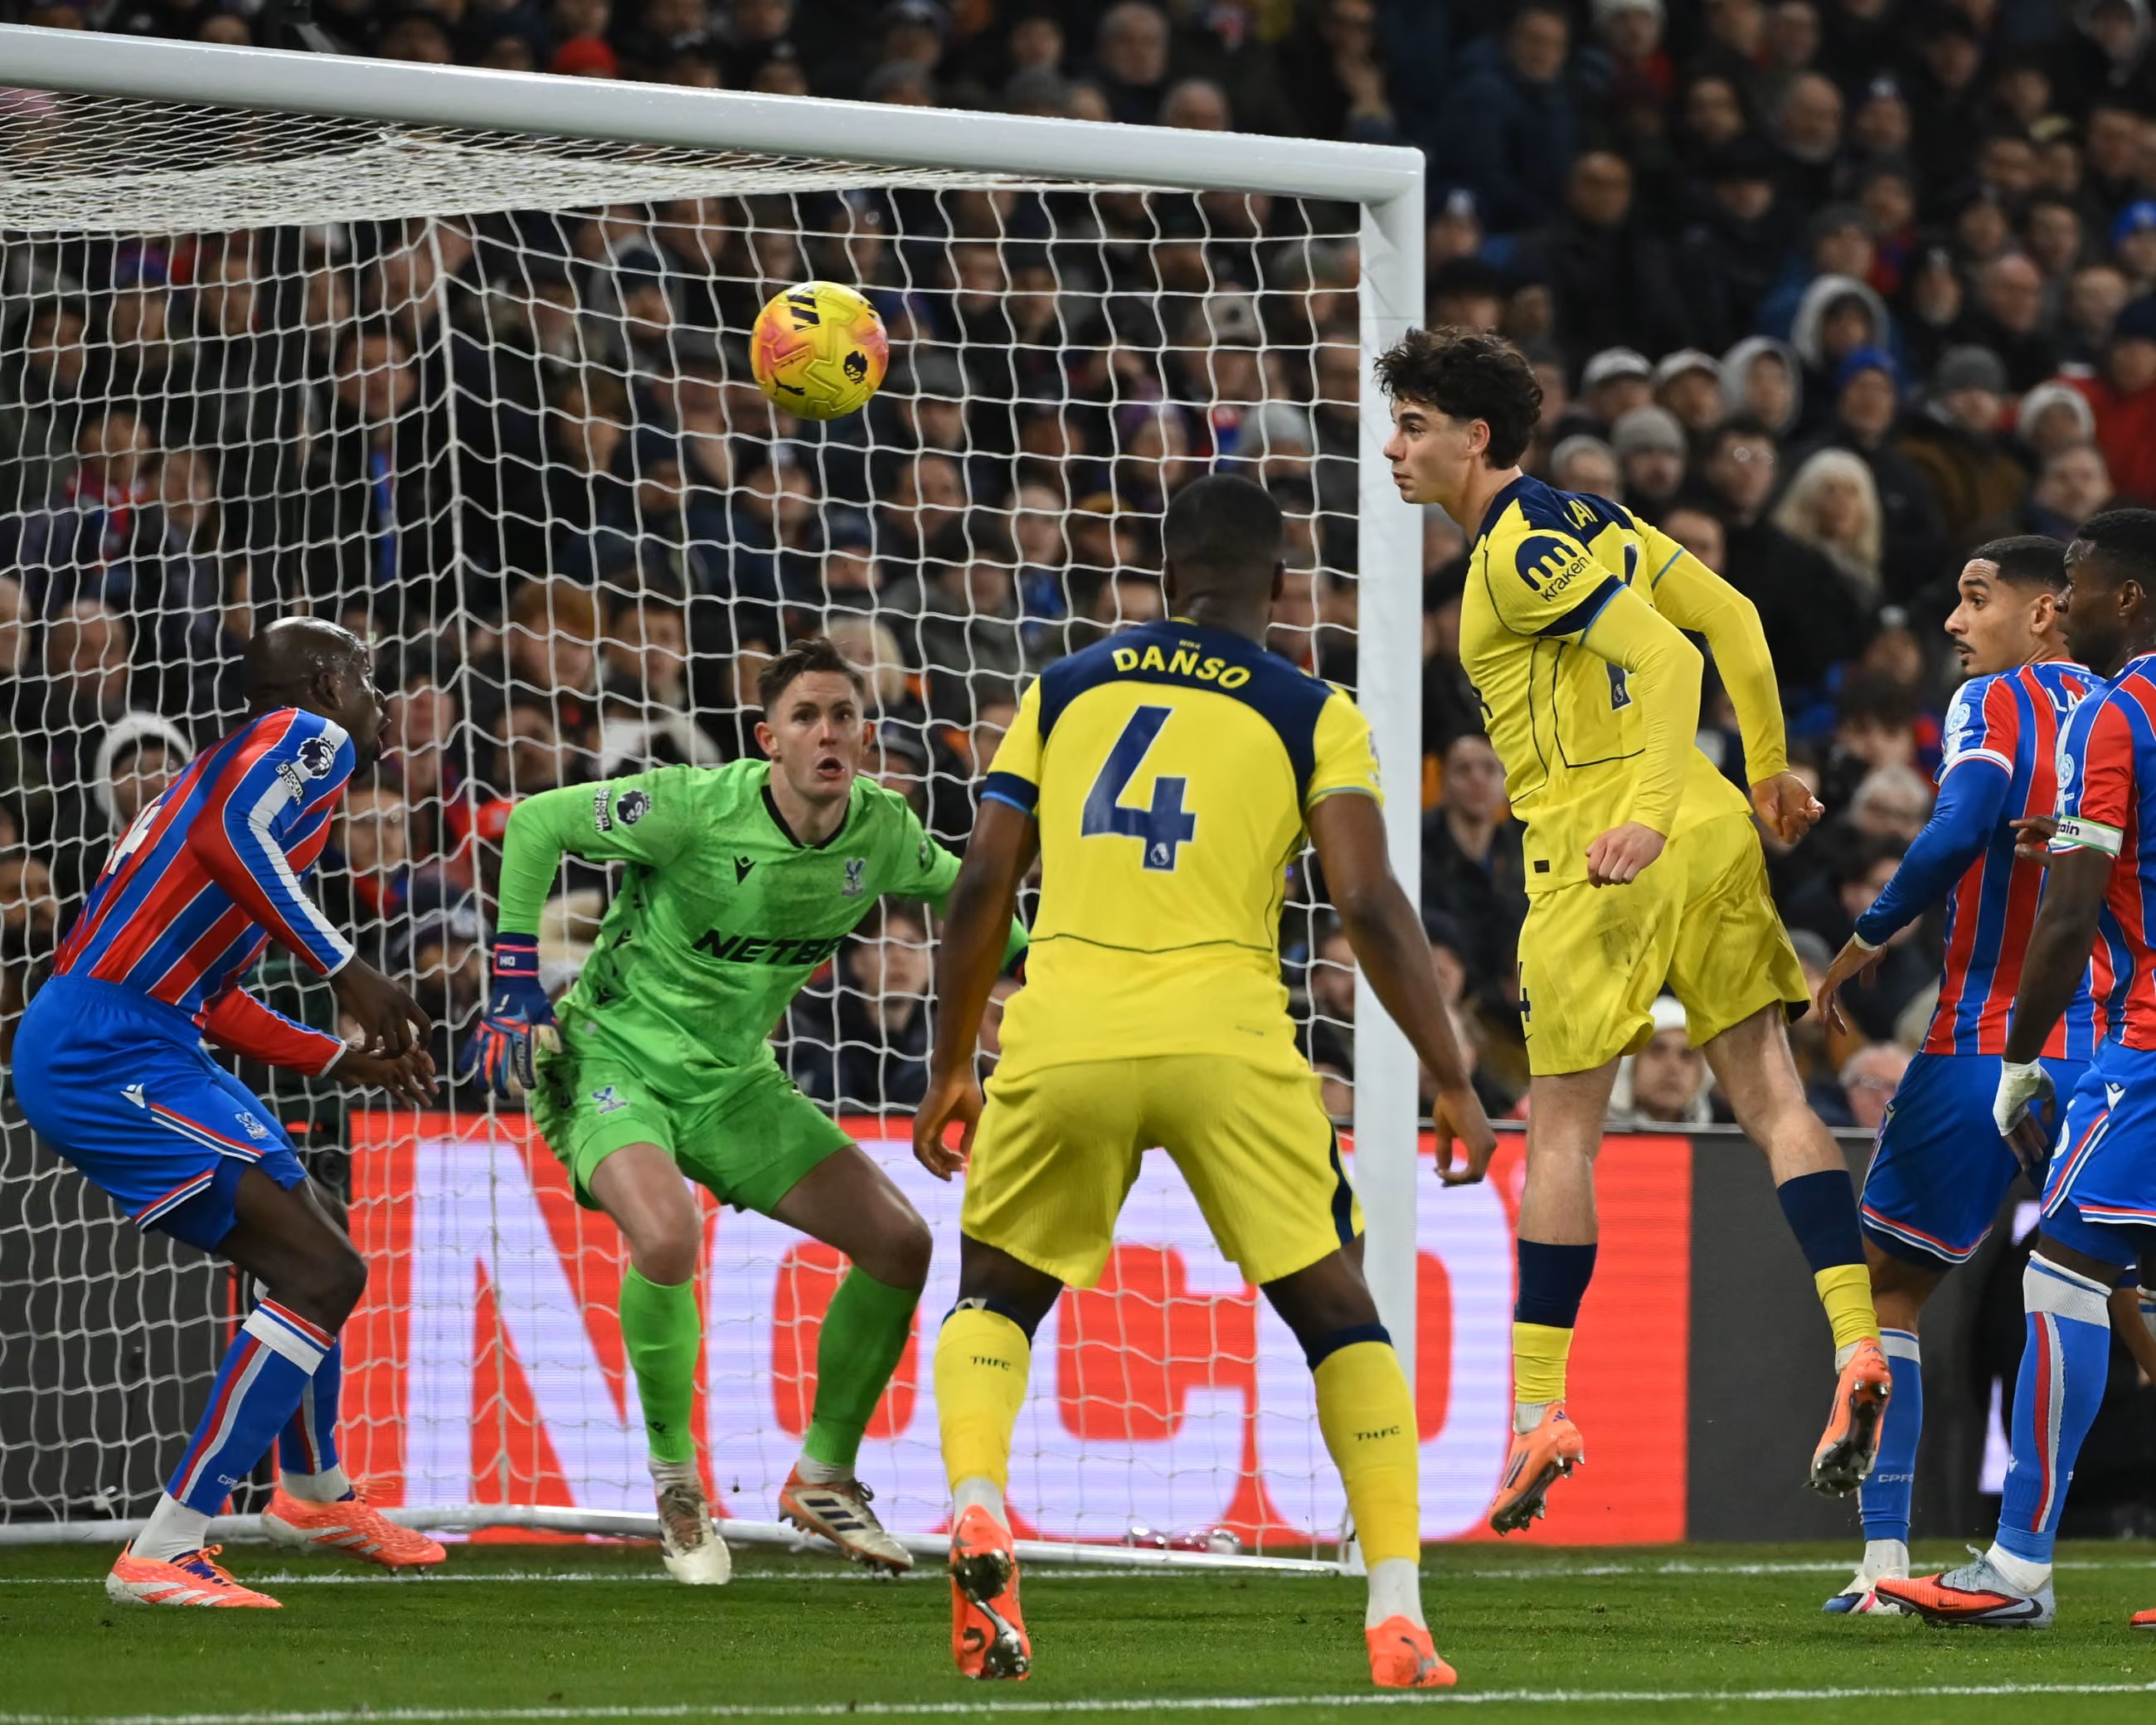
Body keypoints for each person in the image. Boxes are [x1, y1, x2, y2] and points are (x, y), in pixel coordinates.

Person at [914, 473, 1492, 1689]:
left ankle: (976, 1501)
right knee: (1339, 1315)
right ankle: (1396, 1610)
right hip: (1227, 1044)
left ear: (1162, 572)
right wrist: (1451, 1073)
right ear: (1279, 588)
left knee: (995, 1301)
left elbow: (979, 889)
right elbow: (1370, 903)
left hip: (1066, 1029)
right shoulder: (1310, 709)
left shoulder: (1063, 688)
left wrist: (953, 1061)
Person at [1376, 326, 1889, 1536]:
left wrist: (1649, 815)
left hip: (1606, 850)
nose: (1393, 449)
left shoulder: (1506, 556)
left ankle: (1541, 1411)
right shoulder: (1596, 518)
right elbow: (1738, 621)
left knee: (1561, 1135)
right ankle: (1857, 1344)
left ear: (1475, 437)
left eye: (1412, 426)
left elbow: (1663, 657)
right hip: (1711, 832)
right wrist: (1763, 773)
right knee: (1771, 1094)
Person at [461, 637, 1023, 1586]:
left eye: (844, 716)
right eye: (805, 718)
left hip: (733, 1082)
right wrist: (515, 977)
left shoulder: (880, 831)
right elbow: (535, 826)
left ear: (867, 733)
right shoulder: (690, 806)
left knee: (899, 1244)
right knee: (669, 1235)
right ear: (770, 740)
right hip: (611, 1058)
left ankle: (824, 1474)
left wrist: (1060, 963)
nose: (828, 734)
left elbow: (981, 906)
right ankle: (679, 1488)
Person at [10, 619, 440, 1609]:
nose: (379, 704)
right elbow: (226, 838)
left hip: (149, 1035)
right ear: (329, 682)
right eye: (369, 681)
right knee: (323, 1269)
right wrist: (345, 968)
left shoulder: (240, 777)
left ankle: (312, 1490)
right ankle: (166, 1544)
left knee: (315, 1223)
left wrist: (340, 1059)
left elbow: (217, 998)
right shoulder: (306, 739)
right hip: (104, 1047)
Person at [1812, 536, 2102, 1615]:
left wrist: (1862, 941)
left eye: (1976, 598)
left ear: (2043, 615)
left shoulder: (2003, 702)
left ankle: (1886, 1567)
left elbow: (1961, 826)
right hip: (2120, 1043)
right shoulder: (2131, 711)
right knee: (2098, 1290)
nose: (1952, 622)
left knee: (1891, 1288)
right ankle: (2023, 1555)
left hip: (1989, 1035)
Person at [1879, 509, 2156, 1629]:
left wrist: (2026, 1054)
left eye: (2079, 586)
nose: (2065, 606)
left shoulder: (2119, 714)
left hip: (2142, 1034)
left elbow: (2072, 903)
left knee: (2063, 1276)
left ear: (2125, 599)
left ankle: (2018, 1570)